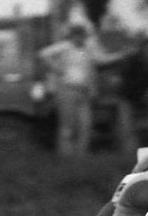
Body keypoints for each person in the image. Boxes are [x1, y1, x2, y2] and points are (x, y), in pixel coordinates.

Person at [39, 21, 120, 157]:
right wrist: (56, 69)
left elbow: (101, 60)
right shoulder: (64, 47)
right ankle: (66, 156)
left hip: (84, 90)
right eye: (77, 35)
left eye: (82, 35)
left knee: (85, 124)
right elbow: (43, 54)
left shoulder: (85, 50)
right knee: (67, 126)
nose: (80, 38)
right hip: (66, 89)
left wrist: (121, 55)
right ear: (71, 36)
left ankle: (81, 155)